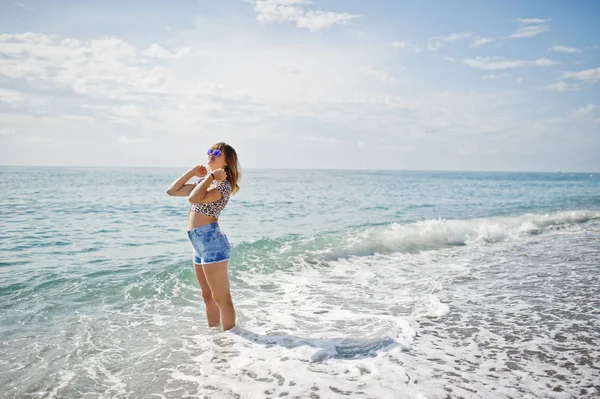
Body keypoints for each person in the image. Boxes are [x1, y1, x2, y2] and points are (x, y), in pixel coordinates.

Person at [166, 142, 241, 331]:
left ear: (227, 161)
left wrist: (210, 177)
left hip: (212, 241)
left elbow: (194, 198)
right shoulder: (204, 183)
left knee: (221, 298)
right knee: (207, 297)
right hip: (197, 242)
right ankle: (215, 339)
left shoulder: (223, 186)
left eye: (217, 152)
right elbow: (172, 191)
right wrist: (193, 172)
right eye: (210, 151)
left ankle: (231, 341)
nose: (211, 154)